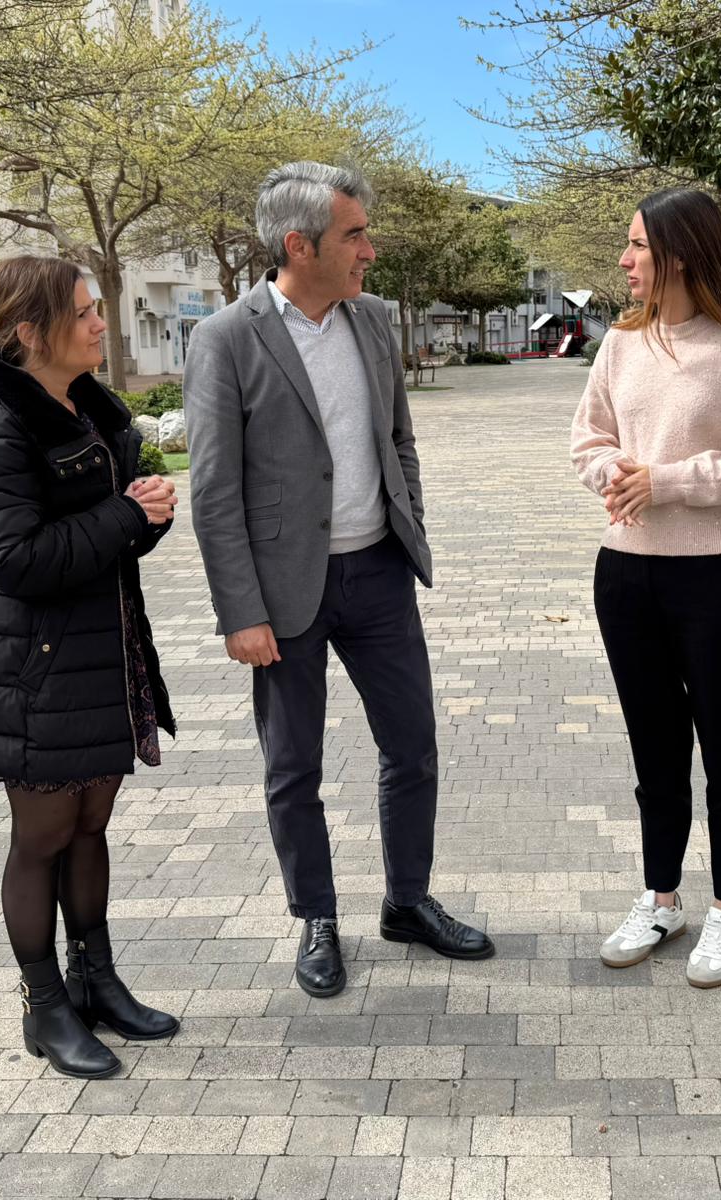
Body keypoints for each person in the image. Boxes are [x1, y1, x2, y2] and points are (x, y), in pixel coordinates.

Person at [183, 161, 493, 999]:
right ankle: (316, 917)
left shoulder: (374, 319)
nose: (369, 250)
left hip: (380, 574)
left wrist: (408, 520)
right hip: (285, 594)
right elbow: (213, 491)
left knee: (413, 747)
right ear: (300, 245)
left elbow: (399, 439)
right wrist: (239, 611)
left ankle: (408, 902)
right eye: (354, 235)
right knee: (294, 767)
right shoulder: (226, 338)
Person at [0, 254, 181, 1079]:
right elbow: (12, 559)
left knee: (89, 826)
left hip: (101, 653)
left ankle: (97, 983)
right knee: (42, 835)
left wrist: (146, 517)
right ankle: (44, 1008)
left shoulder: (87, 409)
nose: (97, 322)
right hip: (33, 668)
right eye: (81, 312)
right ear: (31, 332)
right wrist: (124, 516)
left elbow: (106, 535)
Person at [571, 188, 721, 990]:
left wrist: (662, 480)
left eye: (638, 245)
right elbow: (588, 438)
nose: (625, 260)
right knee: (654, 749)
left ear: (681, 253)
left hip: (714, 575)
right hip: (625, 572)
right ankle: (661, 898)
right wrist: (616, 473)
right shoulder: (621, 343)